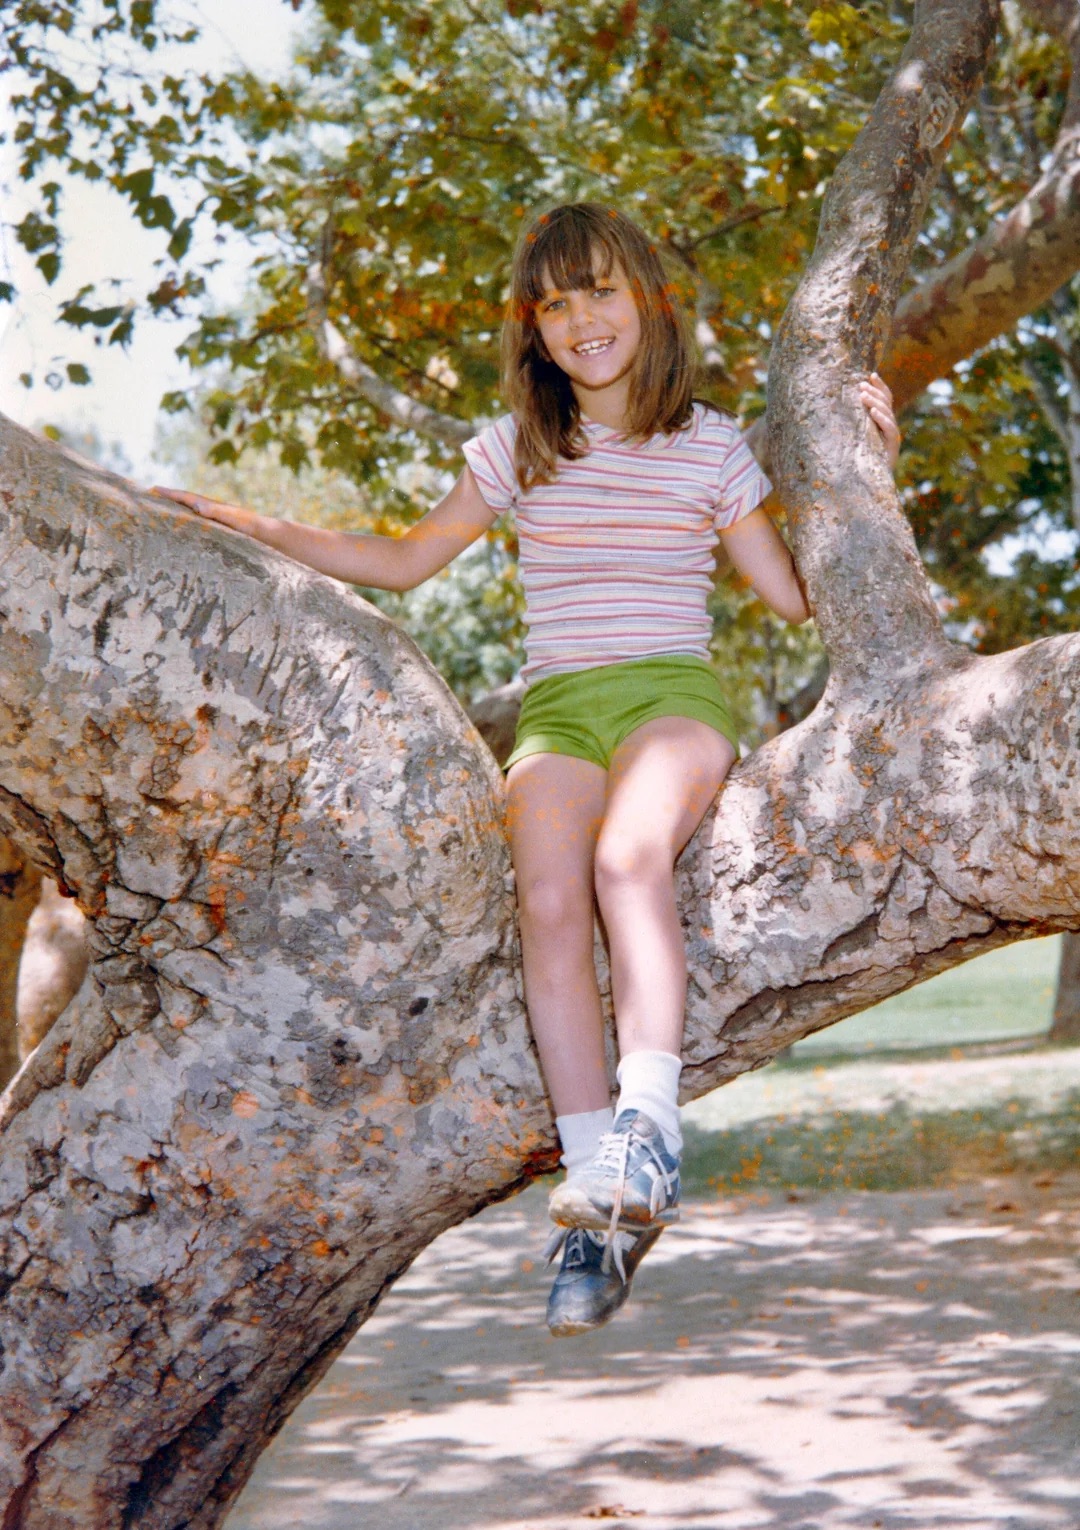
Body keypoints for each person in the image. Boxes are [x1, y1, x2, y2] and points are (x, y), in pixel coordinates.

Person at [154, 203, 899, 1339]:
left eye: (600, 290)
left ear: (647, 302)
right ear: (535, 332)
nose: (581, 319)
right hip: (558, 712)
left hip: (671, 703)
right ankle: (593, 1206)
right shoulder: (518, 448)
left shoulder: (711, 444)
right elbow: (402, 561)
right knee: (548, 895)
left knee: (627, 857)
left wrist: (870, 467)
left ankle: (651, 1130)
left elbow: (798, 596)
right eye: (554, 304)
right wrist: (243, 520)